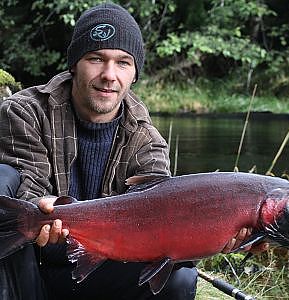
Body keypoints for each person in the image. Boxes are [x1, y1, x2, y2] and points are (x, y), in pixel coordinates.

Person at [0, 3, 267, 300]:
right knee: (3, 178)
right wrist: (42, 207)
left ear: (135, 73)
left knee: (179, 279)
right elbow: (26, 187)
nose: (109, 75)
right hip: (28, 267)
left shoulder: (147, 139)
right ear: (74, 64)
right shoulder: (24, 112)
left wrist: (218, 236)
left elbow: (165, 226)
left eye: (123, 62)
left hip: (100, 268)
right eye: (96, 58)